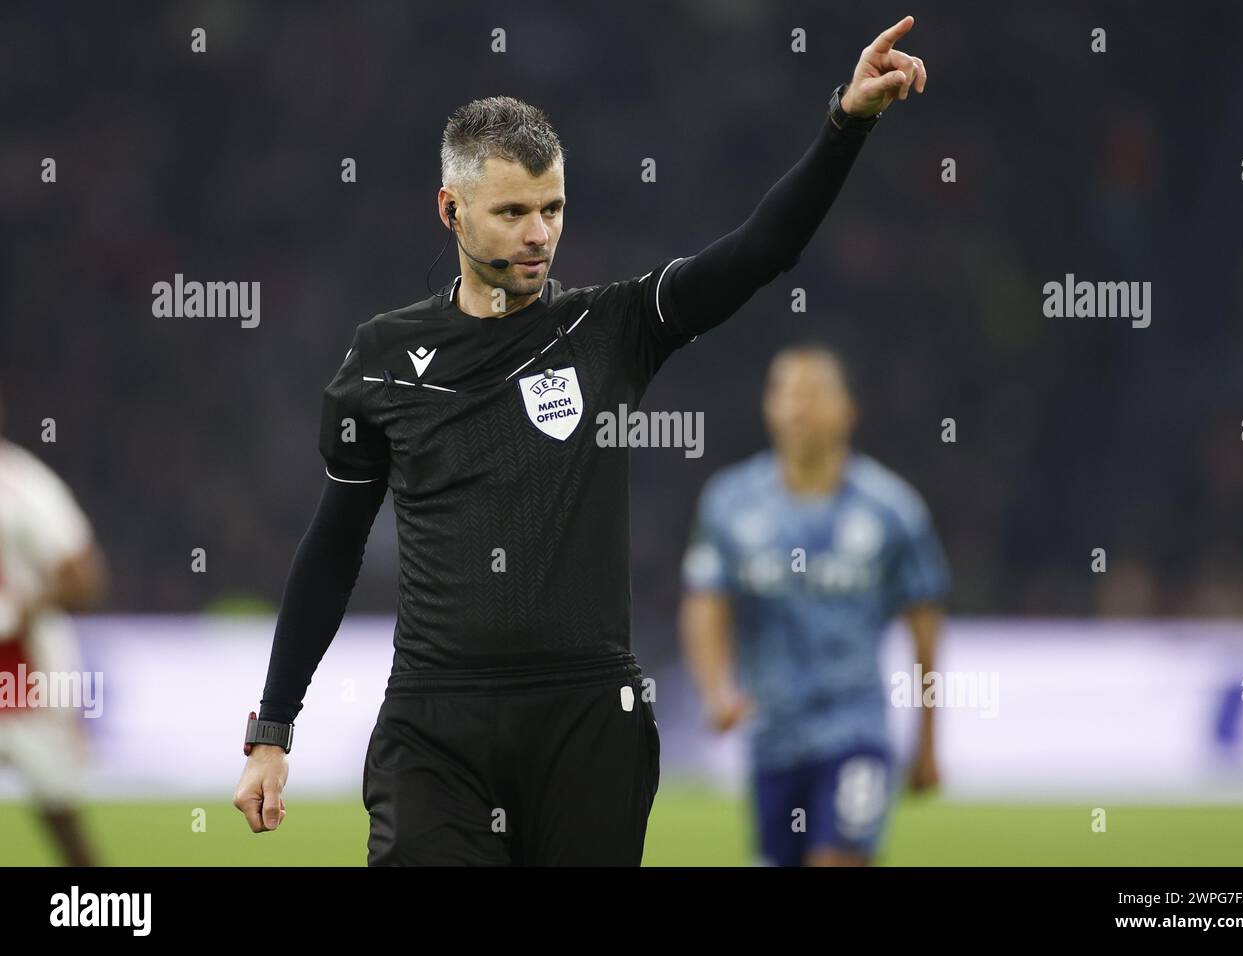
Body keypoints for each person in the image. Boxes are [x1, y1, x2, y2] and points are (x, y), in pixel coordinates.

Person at [233, 16, 929, 865]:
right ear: (450, 211)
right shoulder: (379, 361)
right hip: (435, 721)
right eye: (513, 211)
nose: (539, 233)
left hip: (588, 720)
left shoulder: (613, 328)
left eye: (553, 208)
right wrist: (273, 727)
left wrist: (844, 123)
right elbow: (332, 547)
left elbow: (763, 250)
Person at [679, 345, 950, 866]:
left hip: (855, 730)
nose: (798, 408)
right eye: (785, 393)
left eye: (813, 394)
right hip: (773, 737)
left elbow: (925, 632)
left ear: (847, 410)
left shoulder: (892, 510)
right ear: (768, 408)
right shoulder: (730, 504)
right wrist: (716, 690)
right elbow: (705, 603)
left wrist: (929, 740)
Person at [0, 393, 108, 866]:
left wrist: (24, 607)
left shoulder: (20, 483)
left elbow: (86, 579)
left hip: (26, 678)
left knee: (60, 815)